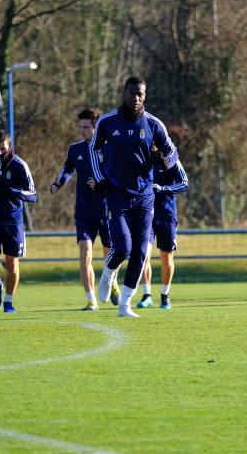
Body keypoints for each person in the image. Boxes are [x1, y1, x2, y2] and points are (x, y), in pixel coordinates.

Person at [89, 76, 178, 317]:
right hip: (117, 194)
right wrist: (100, 178)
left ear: (144, 96)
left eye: (140, 94)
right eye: (131, 93)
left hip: (144, 196)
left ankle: (124, 305)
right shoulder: (108, 122)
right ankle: (108, 273)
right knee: (122, 249)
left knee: (140, 252)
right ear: (124, 93)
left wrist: (165, 160)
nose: (135, 98)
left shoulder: (153, 124)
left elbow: (172, 152)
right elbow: (93, 149)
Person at [50, 108, 118, 311]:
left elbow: (116, 175)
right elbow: (68, 168)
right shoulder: (75, 149)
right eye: (80, 127)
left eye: (86, 127)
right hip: (84, 211)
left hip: (107, 210)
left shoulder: (108, 148)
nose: (82, 131)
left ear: (96, 127)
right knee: (85, 252)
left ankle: (112, 282)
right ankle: (91, 300)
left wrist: (100, 183)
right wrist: (57, 183)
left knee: (111, 254)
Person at [0, 129, 37, 313]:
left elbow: (33, 195)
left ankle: (8, 302)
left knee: (11, 264)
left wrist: (16, 192)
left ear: (9, 147)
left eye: (3, 148)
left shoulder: (19, 165)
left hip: (13, 222)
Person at [137, 148, 188, 309]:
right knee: (143, 255)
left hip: (167, 215)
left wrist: (163, 188)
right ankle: (147, 295)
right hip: (147, 215)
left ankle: (165, 296)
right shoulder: (142, 161)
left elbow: (184, 184)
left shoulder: (171, 161)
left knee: (166, 258)